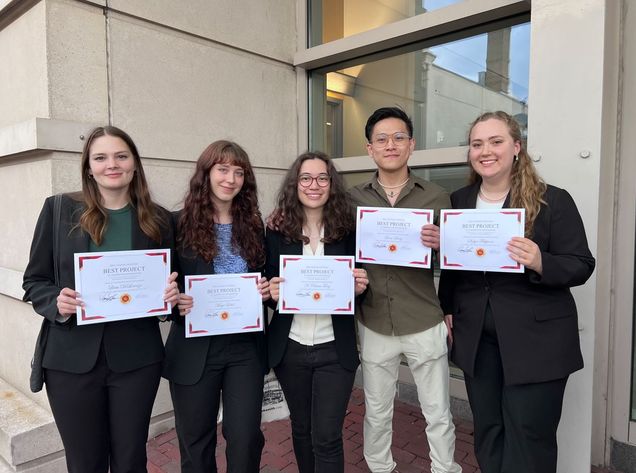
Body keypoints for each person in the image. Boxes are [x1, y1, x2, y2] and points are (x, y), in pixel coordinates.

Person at [438, 111, 595, 473]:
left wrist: (541, 261)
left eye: (496, 141)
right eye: (477, 144)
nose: (485, 151)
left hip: (538, 341)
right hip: (478, 337)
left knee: (530, 435)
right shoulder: (459, 200)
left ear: (516, 147)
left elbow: (581, 264)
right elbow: (453, 267)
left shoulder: (551, 200)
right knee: (488, 431)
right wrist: (447, 307)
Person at [22, 126, 179, 473]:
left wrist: (170, 298)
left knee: (130, 459)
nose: (113, 164)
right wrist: (55, 302)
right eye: (101, 157)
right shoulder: (59, 210)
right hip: (70, 361)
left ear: (134, 164)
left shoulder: (159, 219)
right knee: (85, 462)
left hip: (136, 360)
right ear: (88, 167)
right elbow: (34, 281)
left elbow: (170, 286)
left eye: (121, 156)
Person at [348, 107, 462, 473]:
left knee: (438, 412)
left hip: (423, 317)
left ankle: (445, 468)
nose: (390, 145)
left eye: (399, 137)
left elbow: (459, 261)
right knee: (377, 410)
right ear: (370, 149)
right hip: (375, 319)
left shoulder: (437, 197)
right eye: (381, 139)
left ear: (411, 145)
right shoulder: (351, 199)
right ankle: (380, 467)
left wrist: (443, 245)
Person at [163, 140, 270, 473]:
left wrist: (265, 289)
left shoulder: (253, 225)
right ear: (206, 173)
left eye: (239, 172)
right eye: (223, 169)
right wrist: (173, 299)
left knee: (246, 436)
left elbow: (263, 275)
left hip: (244, 349)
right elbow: (164, 285)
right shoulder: (176, 224)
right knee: (196, 441)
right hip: (195, 348)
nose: (231, 179)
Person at [265, 151, 369, 473]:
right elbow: (270, 290)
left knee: (327, 436)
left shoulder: (348, 230)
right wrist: (272, 293)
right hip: (291, 348)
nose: (314, 185)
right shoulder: (277, 231)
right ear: (295, 184)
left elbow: (362, 289)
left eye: (322, 178)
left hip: (334, 350)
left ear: (331, 184)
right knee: (301, 430)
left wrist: (360, 288)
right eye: (306, 178)